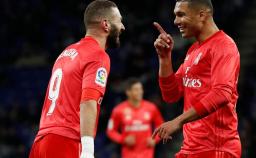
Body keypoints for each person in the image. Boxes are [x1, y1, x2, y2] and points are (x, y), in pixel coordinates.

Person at [29, 0, 125, 158]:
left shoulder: (66, 52)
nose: (122, 26)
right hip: (66, 141)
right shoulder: (98, 55)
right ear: (106, 25)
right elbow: (88, 101)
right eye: (119, 20)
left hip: (41, 141)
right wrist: (88, 150)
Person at [152, 0, 241, 158]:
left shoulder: (224, 46)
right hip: (191, 148)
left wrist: (178, 121)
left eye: (181, 15)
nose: (175, 21)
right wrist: (164, 59)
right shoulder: (193, 50)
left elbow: (222, 93)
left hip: (216, 149)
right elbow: (171, 95)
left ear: (201, 15)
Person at [107, 78, 164, 158]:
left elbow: (161, 126)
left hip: (147, 153)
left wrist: (155, 139)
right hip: (128, 154)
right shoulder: (118, 110)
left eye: (141, 89)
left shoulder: (151, 108)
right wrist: (123, 139)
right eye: (136, 90)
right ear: (128, 92)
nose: (140, 92)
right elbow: (110, 131)